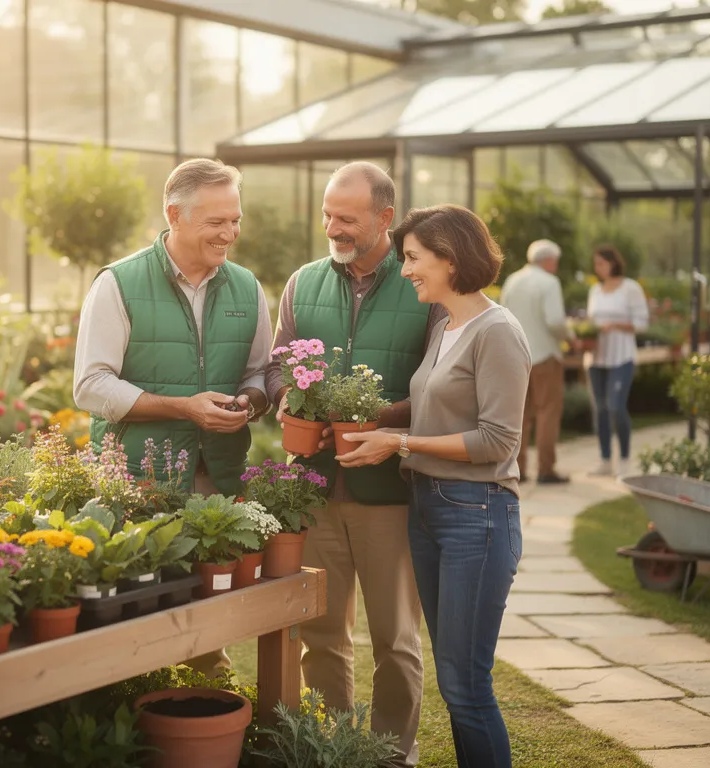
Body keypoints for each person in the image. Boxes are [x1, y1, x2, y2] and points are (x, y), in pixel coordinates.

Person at [266, 162, 443, 767]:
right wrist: (288, 399)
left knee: (395, 640)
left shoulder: (422, 285)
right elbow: (278, 365)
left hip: (390, 493)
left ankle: (393, 755)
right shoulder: (303, 282)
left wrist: (377, 419)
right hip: (315, 488)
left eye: (346, 218)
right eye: (327, 215)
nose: (332, 228)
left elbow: (441, 387)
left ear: (385, 218)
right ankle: (333, 750)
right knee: (320, 634)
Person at [341, 204, 529, 768]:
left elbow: (498, 441)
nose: (405, 270)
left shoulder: (498, 332)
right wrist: (371, 420)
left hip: (478, 513)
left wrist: (399, 443)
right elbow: (431, 406)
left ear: (450, 258)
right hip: (429, 509)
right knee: (454, 680)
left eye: (414, 258)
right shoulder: (447, 327)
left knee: (467, 685)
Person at [73, 158, 273, 675]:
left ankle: (208, 703)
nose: (229, 233)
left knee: (210, 625)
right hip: (140, 483)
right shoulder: (118, 283)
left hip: (217, 482)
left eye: (235, 220)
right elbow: (90, 385)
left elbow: (258, 374)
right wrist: (183, 408)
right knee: (140, 625)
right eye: (216, 221)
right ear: (174, 215)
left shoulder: (247, 288)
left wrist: (248, 403)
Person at [499, 239, 573, 484]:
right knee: (548, 412)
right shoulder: (549, 282)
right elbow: (555, 321)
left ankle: (517, 468)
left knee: (519, 414)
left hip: (516, 356)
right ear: (549, 260)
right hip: (545, 356)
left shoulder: (512, 280)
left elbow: (503, 316)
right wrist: (570, 336)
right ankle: (545, 469)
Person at [584, 245, 649, 479]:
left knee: (616, 407)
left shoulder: (630, 288)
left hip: (622, 357)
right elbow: (590, 322)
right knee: (600, 410)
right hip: (597, 358)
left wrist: (615, 325)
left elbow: (642, 324)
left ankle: (624, 459)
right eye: (596, 264)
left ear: (613, 263)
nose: (598, 268)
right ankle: (605, 460)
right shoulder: (595, 290)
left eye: (601, 263)